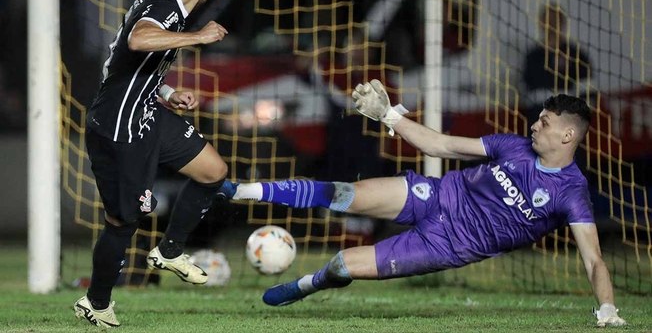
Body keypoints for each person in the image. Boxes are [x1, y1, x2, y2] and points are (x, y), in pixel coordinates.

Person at [223, 79, 626, 328]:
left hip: (445, 246)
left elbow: (593, 259)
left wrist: (606, 308)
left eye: (545, 123)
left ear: (568, 136)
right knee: (344, 194)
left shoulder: (571, 192)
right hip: (435, 195)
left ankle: (306, 285)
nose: (535, 125)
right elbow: (443, 144)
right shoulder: (514, 146)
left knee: (342, 264)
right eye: (538, 118)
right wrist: (389, 116)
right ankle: (241, 191)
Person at [73, 0, 230, 328]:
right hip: (119, 127)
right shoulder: (165, 7)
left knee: (213, 171)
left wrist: (167, 92)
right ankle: (96, 302)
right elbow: (138, 41)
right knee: (122, 223)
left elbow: (125, 62)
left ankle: (170, 251)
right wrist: (199, 36)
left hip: (146, 112)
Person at [523, 3, 592, 125]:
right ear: (541, 23)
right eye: (548, 20)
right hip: (540, 125)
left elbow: (588, 95)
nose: (551, 25)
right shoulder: (533, 57)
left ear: (563, 23)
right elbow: (528, 93)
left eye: (555, 20)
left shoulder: (576, 56)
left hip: (569, 126)